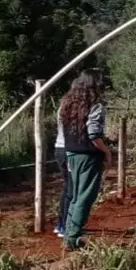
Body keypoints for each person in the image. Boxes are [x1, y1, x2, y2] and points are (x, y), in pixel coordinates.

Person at [61, 69, 112, 250]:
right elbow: (93, 133)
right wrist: (106, 151)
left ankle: (70, 233)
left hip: (72, 154)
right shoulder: (95, 106)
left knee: (75, 196)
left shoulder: (67, 104)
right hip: (88, 156)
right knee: (85, 196)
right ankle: (73, 237)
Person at [53, 104, 71, 239]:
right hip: (69, 150)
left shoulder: (63, 106)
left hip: (60, 148)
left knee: (67, 188)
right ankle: (65, 225)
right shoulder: (73, 107)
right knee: (71, 189)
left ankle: (61, 224)